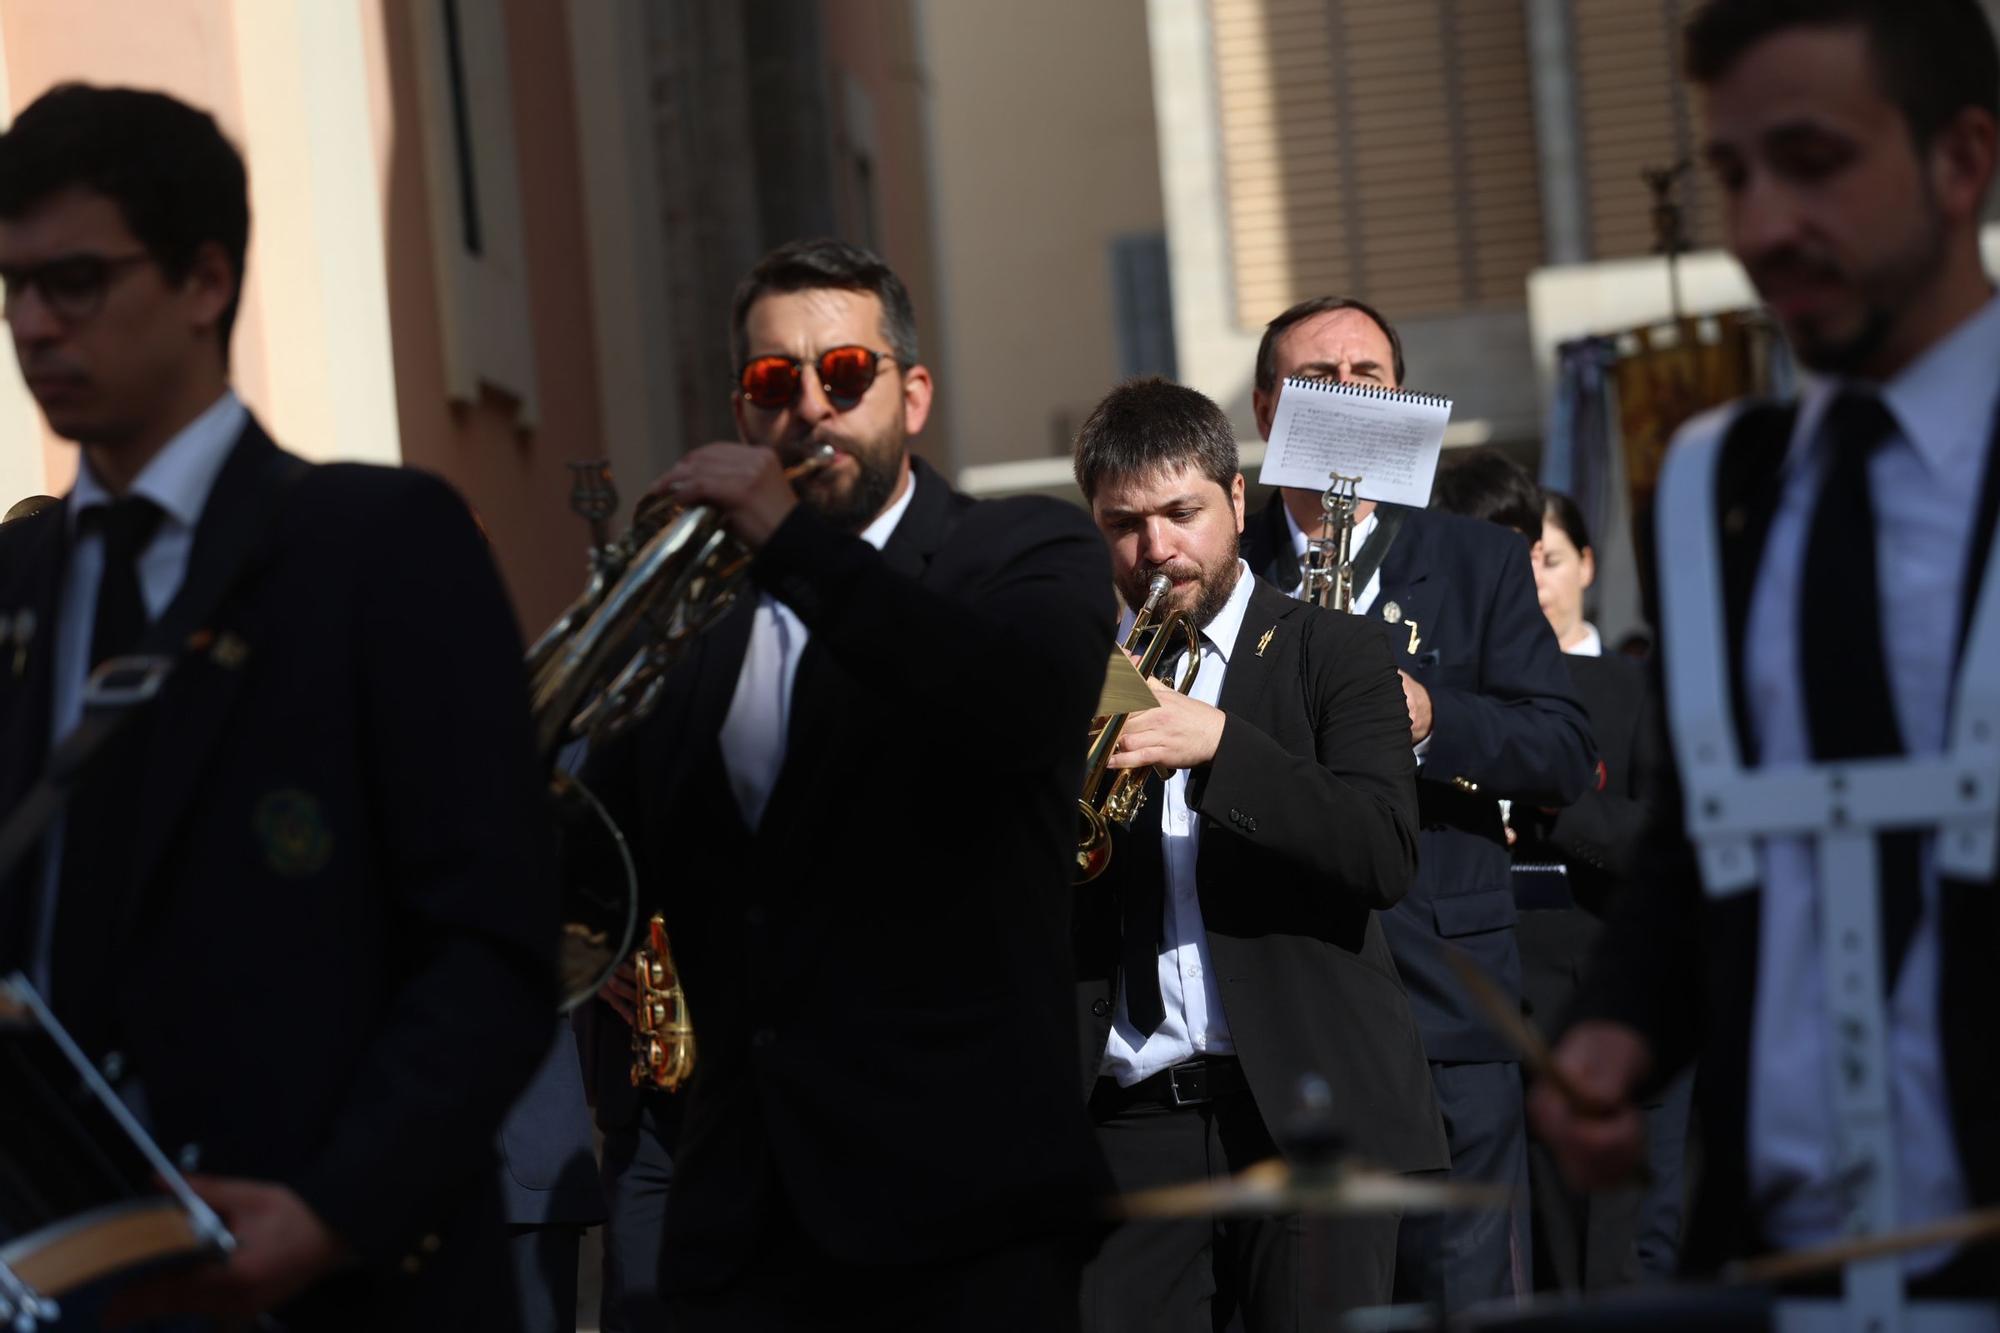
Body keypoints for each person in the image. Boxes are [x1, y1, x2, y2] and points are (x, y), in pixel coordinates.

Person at [0, 83, 555, 1328]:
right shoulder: (18, 584)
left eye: (75, 282)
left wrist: (332, 1211)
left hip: (330, 1286)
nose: (33, 325)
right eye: (11, 285)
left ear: (204, 282)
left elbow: (493, 942)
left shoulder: (374, 546)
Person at [1535, 0, 2000, 1303]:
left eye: (1814, 163)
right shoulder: (1709, 486)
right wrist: (1620, 1026)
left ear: (1963, 160)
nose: (1757, 231)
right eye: (1733, 175)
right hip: (1775, 1262)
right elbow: (1710, 840)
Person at [579, 237, 1114, 1331]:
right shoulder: (696, 622)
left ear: (910, 396)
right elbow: (595, 869)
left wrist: (786, 546)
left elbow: (1010, 708)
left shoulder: (1020, 552)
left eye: (845, 374)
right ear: (743, 407)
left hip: (961, 1226)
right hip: (739, 1232)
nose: (810, 409)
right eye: (775, 382)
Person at [1241, 300, 1594, 1308]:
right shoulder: (1225, 561)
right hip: (1279, 1008)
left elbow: (1563, 748)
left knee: (1465, 1297)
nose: (1350, 393)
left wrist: (1433, 717)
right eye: (1321, 376)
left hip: (1442, 1002)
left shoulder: (1475, 560)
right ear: (1269, 407)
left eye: (1370, 373)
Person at [1069, 377, 1442, 1330]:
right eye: (1125, 523)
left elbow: (1382, 851)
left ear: (1238, 501)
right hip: (1128, 1116)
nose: (1157, 549)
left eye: (1181, 512)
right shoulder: (1073, 673)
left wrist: (1223, 746)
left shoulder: (1336, 650)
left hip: (1310, 1112)